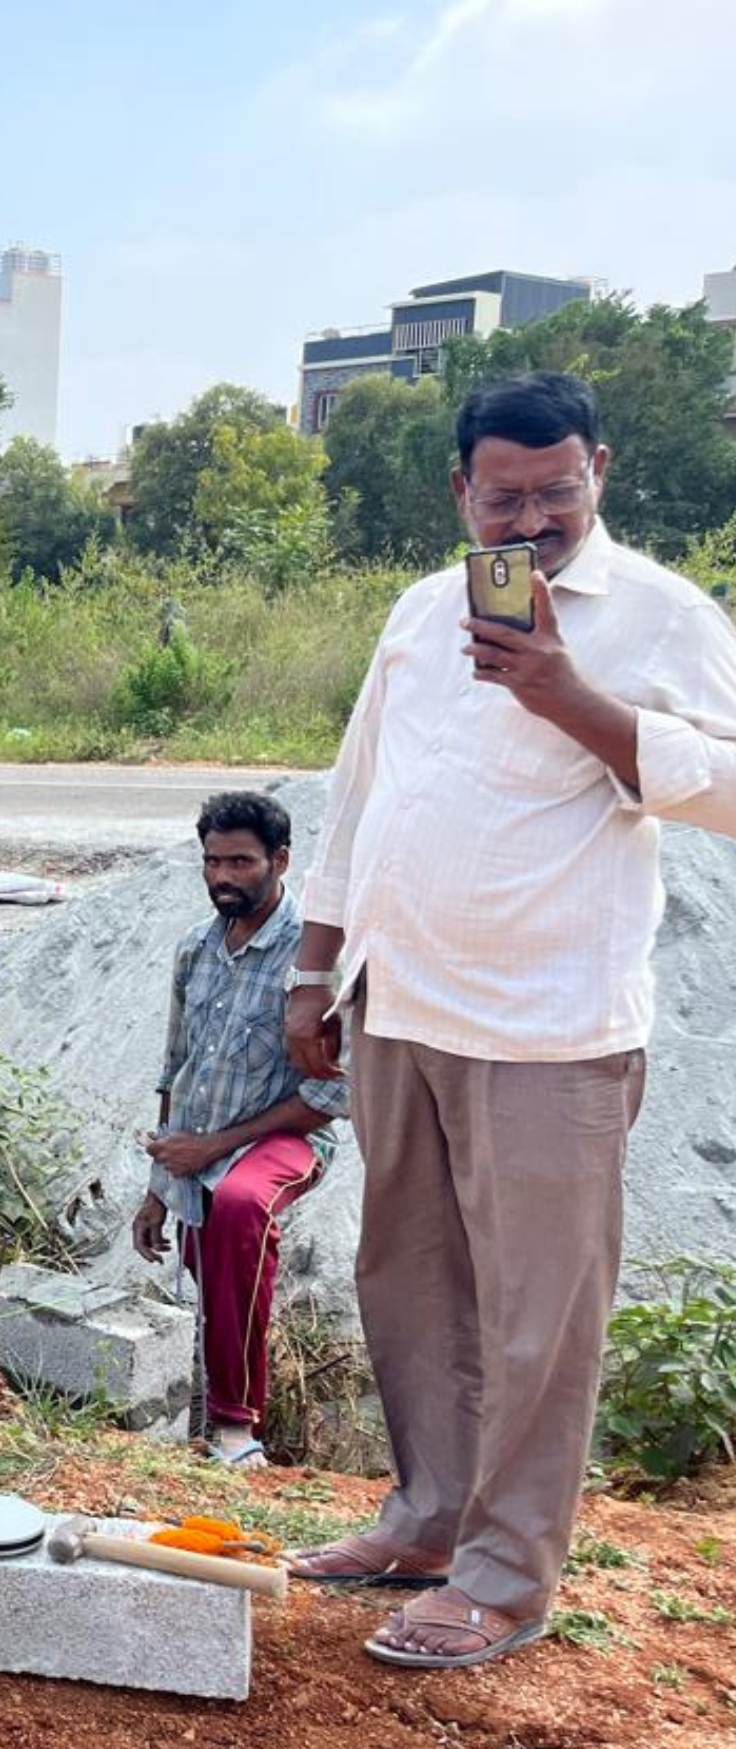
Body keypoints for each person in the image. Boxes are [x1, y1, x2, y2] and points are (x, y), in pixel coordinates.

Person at [281, 371, 736, 1669]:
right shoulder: (422, 612)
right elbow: (358, 795)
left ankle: (508, 1576)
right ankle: (427, 1523)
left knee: (542, 1316)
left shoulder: (658, 616)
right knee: (412, 1289)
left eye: (558, 490)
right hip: (402, 1006)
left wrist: (565, 692)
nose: (530, 520)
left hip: (552, 1032)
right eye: (505, 496)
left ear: (599, 468)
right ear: (460, 491)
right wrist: (314, 971)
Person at [130, 790, 348, 1470]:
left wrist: (215, 1149)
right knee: (209, 1264)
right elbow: (177, 1072)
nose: (223, 877)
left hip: (287, 1137)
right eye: (212, 861)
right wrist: (159, 1188)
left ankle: (235, 1427)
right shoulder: (194, 951)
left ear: (280, 860)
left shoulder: (311, 960)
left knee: (241, 1206)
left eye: (241, 862)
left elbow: (328, 1094)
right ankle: (210, 1408)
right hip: (202, 1142)